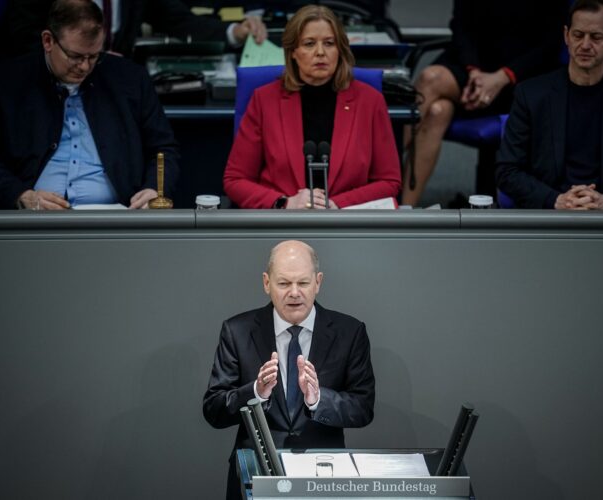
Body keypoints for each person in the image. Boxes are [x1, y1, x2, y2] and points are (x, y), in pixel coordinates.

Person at [0, 0, 180, 209]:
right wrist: (20, 195)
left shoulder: (131, 80)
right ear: (48, 41)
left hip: (115, 218)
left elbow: (163, 149)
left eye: (94, 56)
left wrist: (154, 189)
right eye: (75, 56)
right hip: (32, 221)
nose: (84, 67)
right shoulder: (5, 82)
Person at [203, 240, 375, 499]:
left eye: (303, 283)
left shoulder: (350, 332)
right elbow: (214, 410)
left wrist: (318, 399)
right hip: (256, 477)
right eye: (284, 283)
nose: (294, 293)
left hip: (325, 478)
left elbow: (363, 408)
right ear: (266, 283)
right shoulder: (237, 331)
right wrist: (256, 392)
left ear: (318, 282)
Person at [495, 0, 603, 209]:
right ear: (566, 36)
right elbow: (506, 171)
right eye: (578, 35)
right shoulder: (530, 94)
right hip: (549, 217)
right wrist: (556, 200)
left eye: (596, 37)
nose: (585, 45)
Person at [222, 4, 401, 209]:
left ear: (340, 50)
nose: (320, 52)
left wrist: (335, 204)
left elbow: (389, 182)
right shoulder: (264, 100)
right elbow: (235, 180)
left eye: (329, 43)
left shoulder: (370, 101)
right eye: (309, 44)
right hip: (283, 223)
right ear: (293, 52)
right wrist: (284, 203)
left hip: (345, 222)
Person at [401, 0, 566, 206]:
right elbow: (461, 25)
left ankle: (382, 178)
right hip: (472, 66)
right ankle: (402, 209)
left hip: (521, 76)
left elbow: (551, 42)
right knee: (436, 105)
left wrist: (503, 76)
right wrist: (474, 71)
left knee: (433, 90)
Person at [0, 0, 267, 62]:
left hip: (108, 80)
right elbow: (21, 36)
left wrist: (233, 31)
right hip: (41, 76)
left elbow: (173, 17)